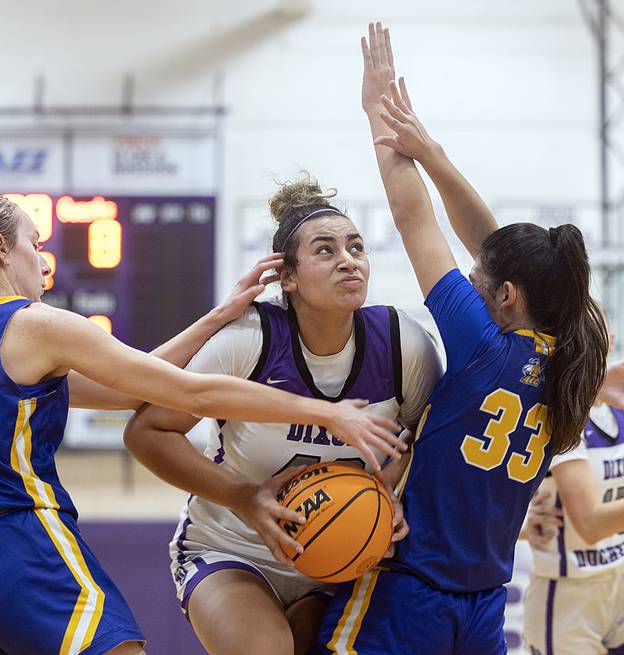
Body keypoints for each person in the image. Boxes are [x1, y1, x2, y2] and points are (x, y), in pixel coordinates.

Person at [0, 193, 407, 655]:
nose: (41, 259)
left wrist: (216, 318)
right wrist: (325, 411)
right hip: (14, 544)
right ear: (0, 250)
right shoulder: (33, 324)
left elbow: (124, 391)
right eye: (33, 244)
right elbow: (189, 391)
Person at [314, 23, 609, 655]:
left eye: (478, 279)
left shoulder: (484, 346)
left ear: (505, 298)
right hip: (483, 602)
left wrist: (381, 121)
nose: (468, 280)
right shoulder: (576, 354)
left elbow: (411, 216)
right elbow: (502, 253)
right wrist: (435, 153)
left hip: (410, 586)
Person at [123, 174, 443, 655]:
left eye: (356, 247)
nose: (348, 260)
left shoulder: (403, 344)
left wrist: (389, 494)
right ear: (287, 278)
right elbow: (147, 432)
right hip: (231, 546)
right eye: (325, 250)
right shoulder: (248, 340)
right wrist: (246, 496)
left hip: (342, 551)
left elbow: (423, 441)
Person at [522, 350, 624, 655]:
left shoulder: (617, 408)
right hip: (570, 593)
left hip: (618, 580)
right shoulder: (560, 413)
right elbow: (590, 524)